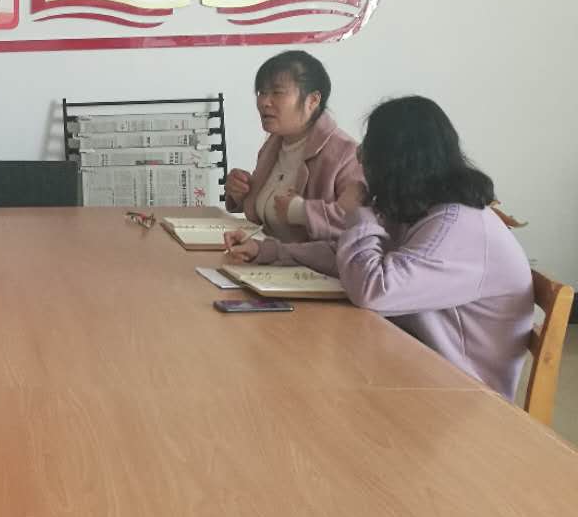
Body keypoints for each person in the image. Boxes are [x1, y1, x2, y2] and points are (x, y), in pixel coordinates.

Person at [226, 96, 534, 399]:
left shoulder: (456, 227)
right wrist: (271, 251)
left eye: (369, 147)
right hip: (411, 366)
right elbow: (344, 256)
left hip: (462, 395)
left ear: (396, 161)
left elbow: (374, 290)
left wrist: (358, 212)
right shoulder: (421, 205)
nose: (360, 156)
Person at [223, 50, 363, 241]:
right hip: (266, 254)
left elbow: (360, 226)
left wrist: (302, 211)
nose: (264, 102)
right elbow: (264, 213)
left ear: (313, 100)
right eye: (261, 92)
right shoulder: (274, 144)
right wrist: (241, 193)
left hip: (311, 261)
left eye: (277, 93)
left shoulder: (347, 154)